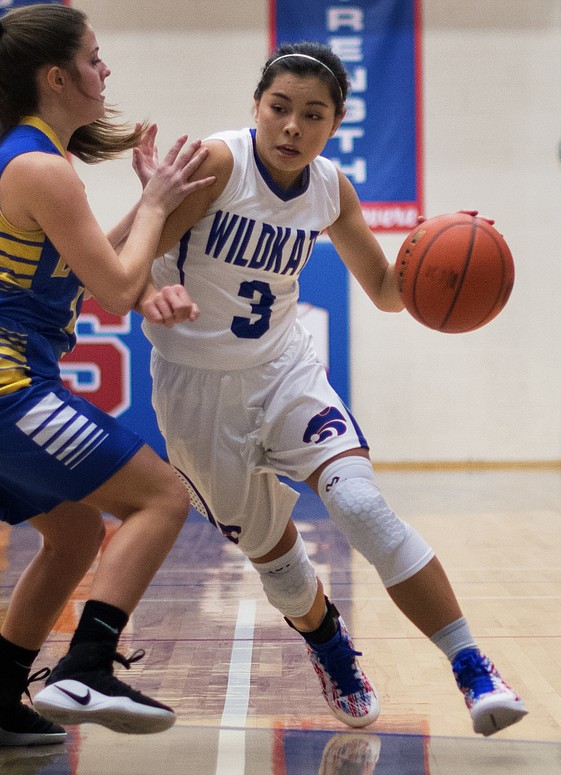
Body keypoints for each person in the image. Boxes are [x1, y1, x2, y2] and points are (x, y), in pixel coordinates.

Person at [134, 41, 527, 736]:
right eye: (279, 108)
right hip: (196, 390)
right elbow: (123, 262)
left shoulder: (330, 188)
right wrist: (146, 285)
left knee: (361, 503)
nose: (292, 126)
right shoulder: (220, 166)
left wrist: (443, 255)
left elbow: (383, 290)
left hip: (284, 370)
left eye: (312, 115)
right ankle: (330, 646)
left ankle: (473, 666)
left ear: (335, 123)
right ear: (255, 107)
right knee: (277, 557)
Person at [0, 5, 213, 747]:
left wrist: (150, 204)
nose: (105, 71)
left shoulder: (23, 156)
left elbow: (94, 272)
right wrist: (159, 204)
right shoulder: (42, 166)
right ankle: (87, 664)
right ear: (56, 76)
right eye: (95, 58)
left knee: (75, 531)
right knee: (163, 497)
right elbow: (114, 287)